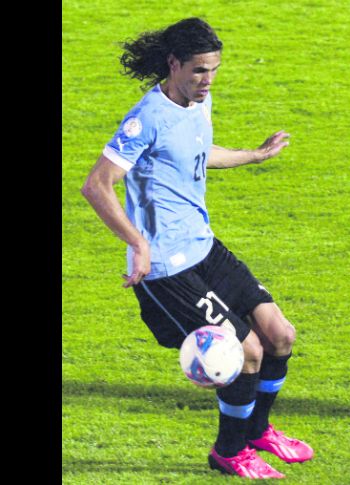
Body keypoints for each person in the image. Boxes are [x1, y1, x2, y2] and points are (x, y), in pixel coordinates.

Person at [81, 17, 313, 479]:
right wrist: (137, 243)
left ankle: (259, 432)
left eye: (214, 70)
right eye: (199, 71)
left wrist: (254, 155)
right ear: (173, 64)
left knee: (280, 334)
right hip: (167, 268)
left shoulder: (197, 102)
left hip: (204, 247)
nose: (208, 81)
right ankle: (228, 453)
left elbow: (199, 153)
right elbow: (97, 185)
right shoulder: (146, 117)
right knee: (247, 352)